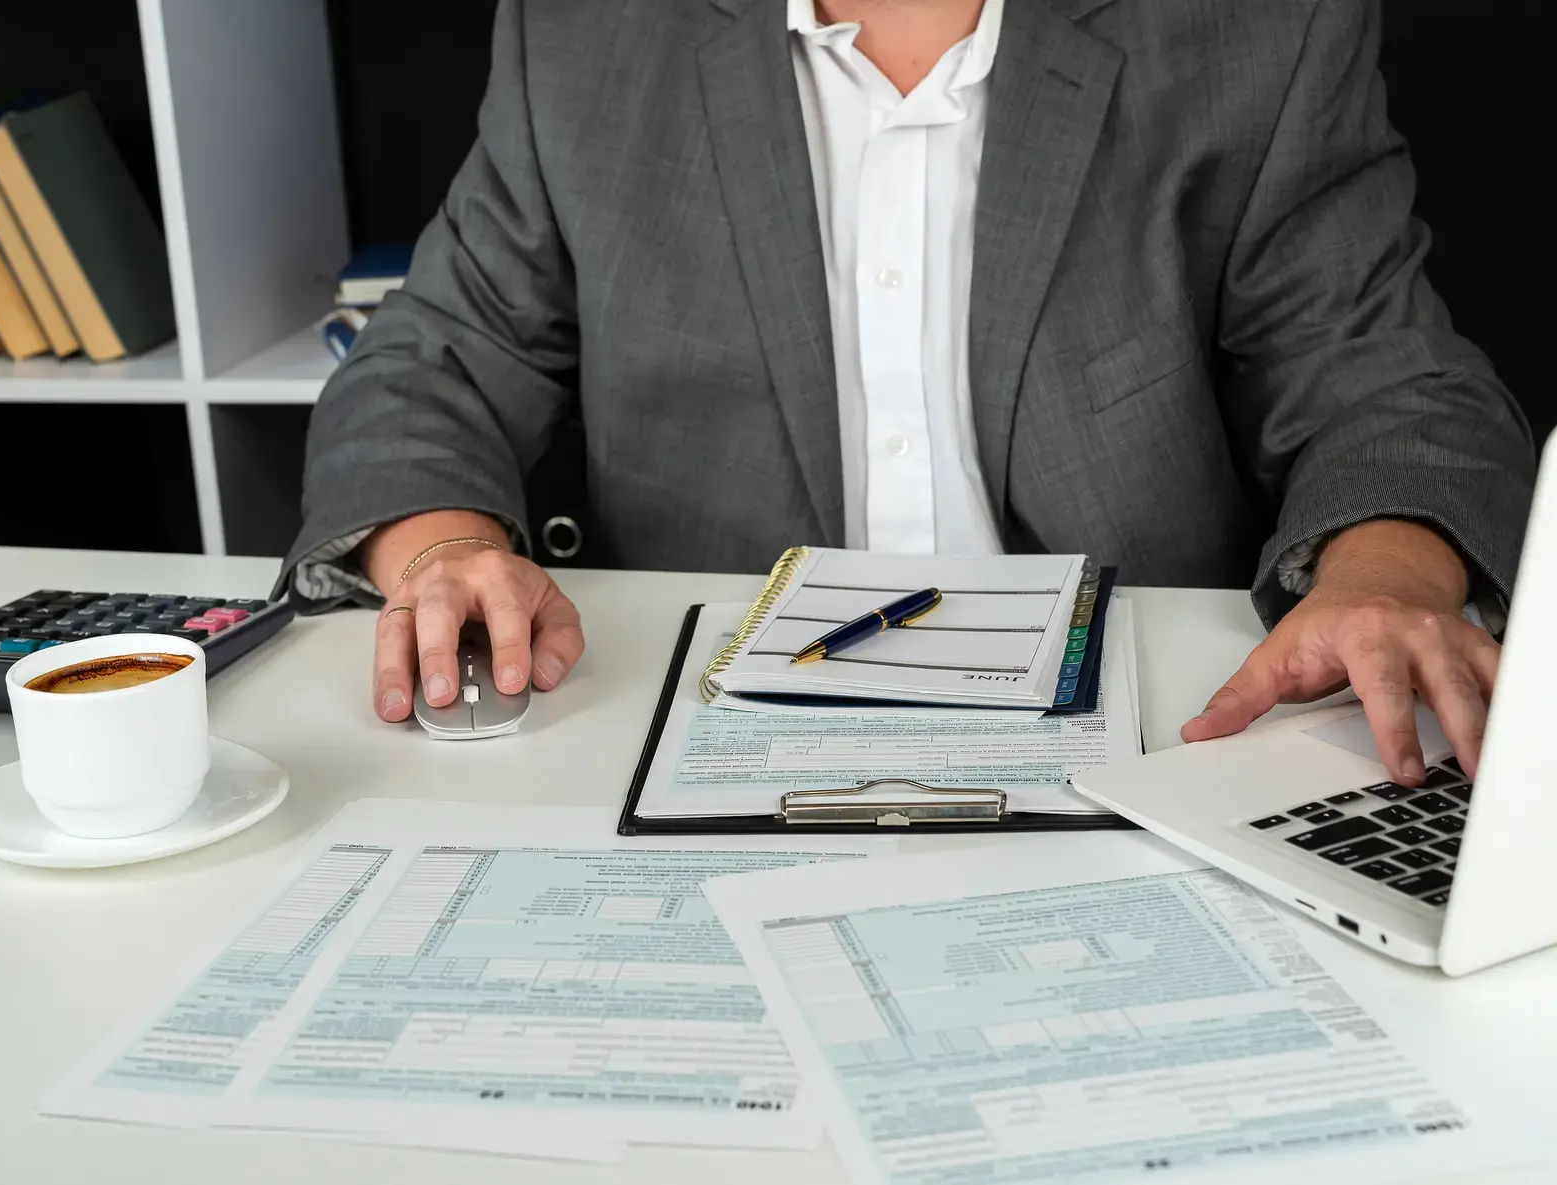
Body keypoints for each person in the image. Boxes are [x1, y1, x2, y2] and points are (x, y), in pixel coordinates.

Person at [280, 0, 1537, 786]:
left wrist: (1386, 575)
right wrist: (440, 548)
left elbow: (1382, 377)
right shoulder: (582, 33)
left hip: (1148, 746)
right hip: (686, 739)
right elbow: (431, 356)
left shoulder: (1259, 29)